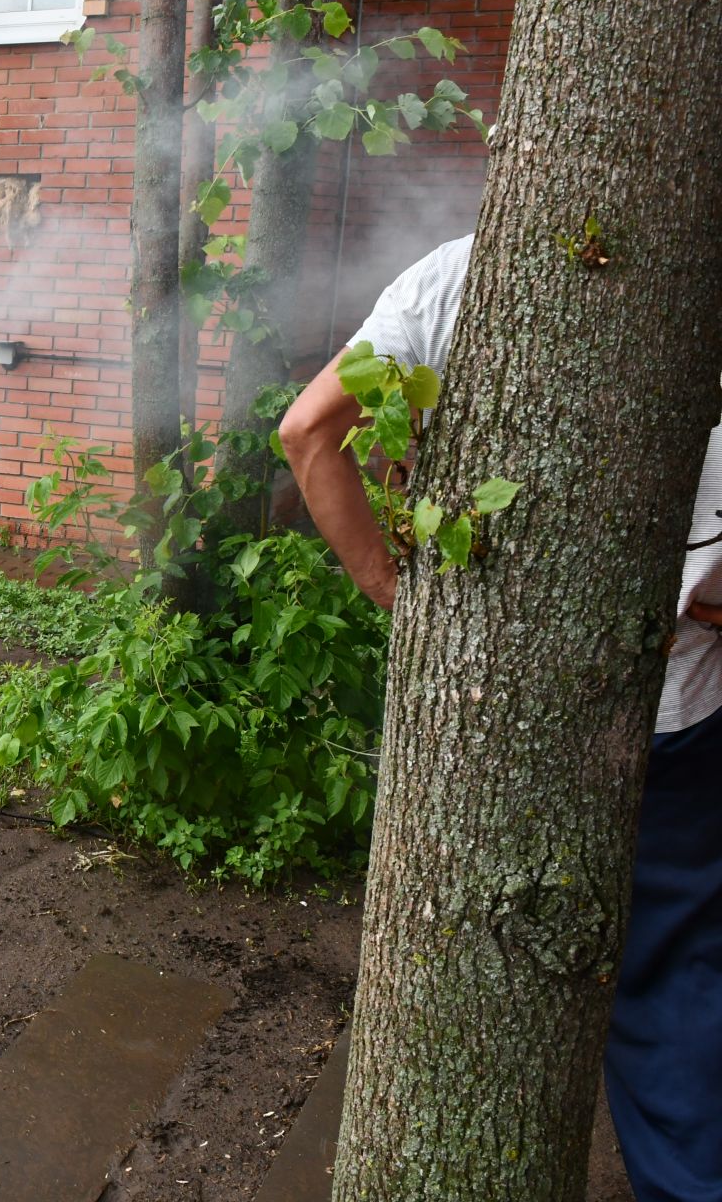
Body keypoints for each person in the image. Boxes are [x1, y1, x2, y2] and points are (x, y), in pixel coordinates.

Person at [279, 233, 722, 1202]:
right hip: (673, 727)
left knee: (484, 972)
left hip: (488, 727)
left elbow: (309, 430)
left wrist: (395, 594)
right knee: (675, 988)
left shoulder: (456, 276)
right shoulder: (699, 265)